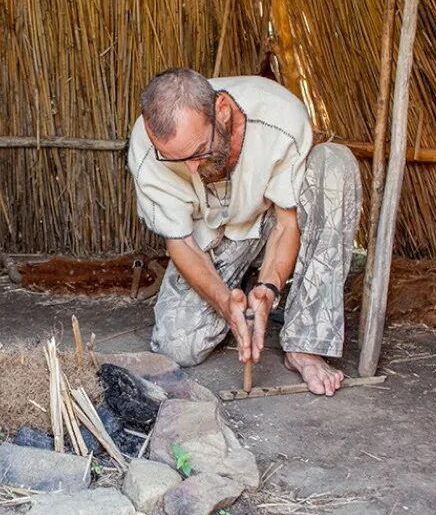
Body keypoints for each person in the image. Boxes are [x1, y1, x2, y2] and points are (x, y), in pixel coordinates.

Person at [127, 69, 362, 395]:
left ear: (221, 111)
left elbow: (285, 224)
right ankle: (239, 294)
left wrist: (269, 288)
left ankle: (305, 344)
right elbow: (181, 242)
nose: (191, 169)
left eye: (198, 152)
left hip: (270, 221)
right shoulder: (147, 145)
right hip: (212, 236)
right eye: (177, 160)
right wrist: (225, 303)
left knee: (334, 165)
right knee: (177, 346)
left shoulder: (279, 116)